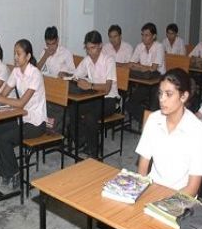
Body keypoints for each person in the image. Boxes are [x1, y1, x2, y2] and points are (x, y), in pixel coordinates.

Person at [97, 68, 202, 229]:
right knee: (105, 227)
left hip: (179, 201)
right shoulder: (154, 120)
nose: (162, 100)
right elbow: (142, 167)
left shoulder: (198, 132)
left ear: (184, 96)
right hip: (150, 190)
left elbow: (193, 186)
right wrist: (132, 194)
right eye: (160, 93)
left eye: (169, 94)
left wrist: (160, 206)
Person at [0, 39, 47, 189]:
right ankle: (6, 172)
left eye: (18, 54)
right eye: (14, 54)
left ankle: (15, 173)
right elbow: (4, 92)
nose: (15, 57)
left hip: (36, 123)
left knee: (4, 139)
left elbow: (20, 103)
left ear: (28, 56)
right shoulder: (17, 71)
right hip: (22, 119)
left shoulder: (35, 74)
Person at [64, 30, 119, 158]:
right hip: (94, 97)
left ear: (100, 45)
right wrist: (72, 78)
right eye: (87, 48)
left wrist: (90, 85)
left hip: (109, 99)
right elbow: (75, 76)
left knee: (90, 116)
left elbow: (107, 88)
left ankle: (94, 153)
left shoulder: (108, 60)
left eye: (93, 48)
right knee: (72, 109)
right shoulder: (87, 60)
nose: (90, 52)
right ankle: (83, 142)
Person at [36, 26, 74, 133]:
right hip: (48, 88)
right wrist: (46, 56)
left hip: (62, 87)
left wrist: (65, 73)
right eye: (48, 44)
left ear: (57, 40)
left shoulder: (65, 53)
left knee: (55, 108)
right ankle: (48, 127)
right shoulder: (45, 52)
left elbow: (74, 73)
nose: (51, 47)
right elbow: (36, 70)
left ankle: (56, 128)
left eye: (53, 43)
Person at [126, 22, 165, 124]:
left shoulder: (159, 47)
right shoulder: (140, 46)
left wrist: (139, 66)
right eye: (142, 35)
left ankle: (151, 120)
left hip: (159, 82)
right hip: (145, 81)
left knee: (153, 107)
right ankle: (147, 121)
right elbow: (130, 64)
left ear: (154, 36)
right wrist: (143, 68)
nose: (144, 38)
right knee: (129, 104)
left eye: (147, 35)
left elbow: (153, 68)